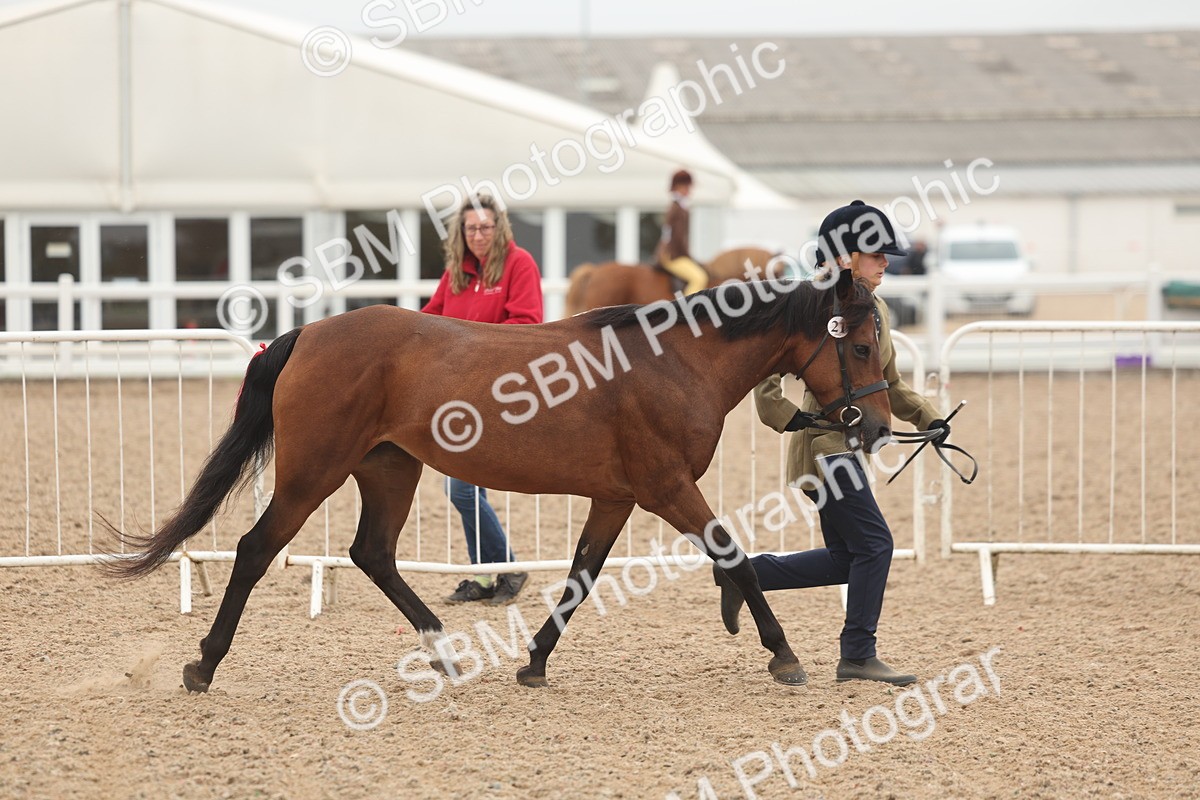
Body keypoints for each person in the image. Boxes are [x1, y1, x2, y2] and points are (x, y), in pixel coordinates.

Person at [713, 200, 952, 686]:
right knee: (876, 544)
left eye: (887, 254)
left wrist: (931, 417)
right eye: (875, 253)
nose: (886, 262)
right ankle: (858, 655)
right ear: (844, 256)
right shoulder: (809, 304)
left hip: (847, 450)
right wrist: (790, 418)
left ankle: (744, 572)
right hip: (822, 449)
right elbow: (766, 384)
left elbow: (887, 385)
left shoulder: (875, 310)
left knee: (849, 557)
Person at [422, 194, 543, 604]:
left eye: (486, 227)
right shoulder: (456, 270)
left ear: (499, 228)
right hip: (459, 392)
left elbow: (527, 324)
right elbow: (428, 320)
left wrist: (470, 349)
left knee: (461, 489)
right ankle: (486, 577)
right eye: (470, 228)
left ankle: (505, 569)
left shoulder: (518, 263)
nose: (478, 235)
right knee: (468, 489)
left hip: (499, 391)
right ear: (461, 232)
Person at [655, 169, 708, 295]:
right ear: (679, 186)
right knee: (699, 278)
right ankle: (687, 311)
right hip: (672, 254)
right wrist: (688, 256)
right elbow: (675, 236)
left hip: (675, 252)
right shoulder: (676, 208)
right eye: (687, 187)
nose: (690, 191)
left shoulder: (680, 206)